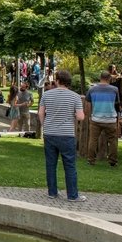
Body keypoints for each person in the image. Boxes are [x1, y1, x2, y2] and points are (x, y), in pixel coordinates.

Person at [38, 70, 87, 201]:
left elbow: (41, 113)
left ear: (57, 80)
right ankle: (72, 195)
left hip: (49, 133)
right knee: (70, 165)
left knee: (50, 164)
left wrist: (45, 125)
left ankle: (52, 192)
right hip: (66, 134)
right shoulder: (75, 97)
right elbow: (81, 116)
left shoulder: (46, 95)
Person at [86, 71, 122, 167]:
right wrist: (119, 117)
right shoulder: (115, 89)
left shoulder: (92, 89)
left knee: (93, 140)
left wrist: (90, 115)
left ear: (100, 77)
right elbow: (117, 104)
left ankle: (91, 160)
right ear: (109, 78)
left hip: (96, 118)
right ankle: (112, 161)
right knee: (112, 140)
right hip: (110, 119)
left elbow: (88, 104)